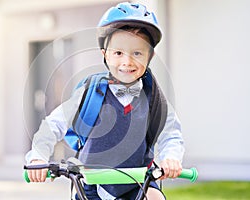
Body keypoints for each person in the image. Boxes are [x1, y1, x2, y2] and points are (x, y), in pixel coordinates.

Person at [25, 2, 184, 200]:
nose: (127, 62)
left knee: (155, 198)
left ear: (149, 56)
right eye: (118, 53)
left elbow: (171, 134)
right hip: (92, 185)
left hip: (138, 183)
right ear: (105, 55)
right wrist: (38, 156)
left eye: (137, 53)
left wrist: (172, 158)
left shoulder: (154, 99)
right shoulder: (90, 93)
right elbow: (53, 124)